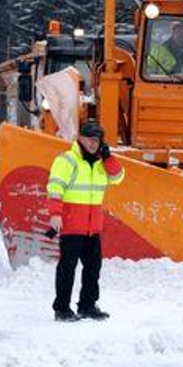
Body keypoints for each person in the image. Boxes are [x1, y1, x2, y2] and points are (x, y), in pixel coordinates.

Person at [47, 119, 125, 321]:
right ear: (80, 138)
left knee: (93, 268)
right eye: (89, 139)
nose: (93, 143)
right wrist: (55, 214)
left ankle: (87, 305)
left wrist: (108, 158)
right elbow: (55, 188)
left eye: (97, 140)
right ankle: (62, 309)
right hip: (72, 226)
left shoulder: (101, 164)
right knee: (67, 268)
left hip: (92, 227)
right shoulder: (67, 160)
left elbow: (118, 177)